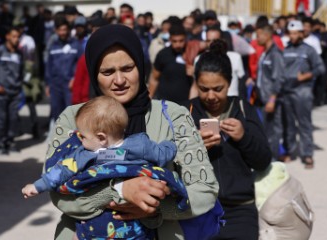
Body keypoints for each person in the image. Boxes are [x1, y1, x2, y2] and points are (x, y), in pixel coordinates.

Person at [45, 24, 219, 240]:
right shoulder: (72, 118)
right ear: (94, 74)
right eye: (107, 72)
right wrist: (118, 192)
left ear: (141, 67)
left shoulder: (174, 116)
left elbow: (205, 190)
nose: (119, 81)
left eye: (127, 68)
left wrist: (154, 207)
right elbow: (55, 191)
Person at [23, 96, 188, 240]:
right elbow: (162, 154)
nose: (78, 139)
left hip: (97, 225)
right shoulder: (140, 145)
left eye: (81, 135)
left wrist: (38, 186)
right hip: (132, 223)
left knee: (80, 235)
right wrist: (171, 145)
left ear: (101, 137)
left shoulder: (86, 154)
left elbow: (62, 171)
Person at [183, 39, 272, 240]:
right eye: (204, 89)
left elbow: (263, 160)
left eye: (218, 88)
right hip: (196, 212)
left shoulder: (243, 109)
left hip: (240, 211)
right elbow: (168, 161)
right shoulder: (184, 112)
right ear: (196, 83)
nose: (211, 96)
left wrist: (243, 137)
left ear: (230, 83)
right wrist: (192, 146)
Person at [282, 20, 325, 168]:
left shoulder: (309, 50)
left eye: (296, 33)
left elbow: (320, 68)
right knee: (288, 124)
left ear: (301, 33)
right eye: (291, 33)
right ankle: (290, 151)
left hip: (303, 91)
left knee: (304, 124)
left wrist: (306, 76)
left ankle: (307, 154)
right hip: (287, 91)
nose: (293, 36)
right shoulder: (284, 50)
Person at [0, 26, 24, 155]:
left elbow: (21, 72)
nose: (16, 39)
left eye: (18, 37)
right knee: (0, 119)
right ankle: (0, 145)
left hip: (14, 92)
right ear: (7, 36)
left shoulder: (19, 54)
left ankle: (10, 142)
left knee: (13, 119)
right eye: (14, 36)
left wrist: (19, 86)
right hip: (0, 92)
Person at [254, 24, 286, 161]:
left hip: (270, 99)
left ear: (267, 35)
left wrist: (272, 99)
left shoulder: (275, 54)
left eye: (258, 35)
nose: (256, 39)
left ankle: (273, 160)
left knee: (273, 132)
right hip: (262, 98)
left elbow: (279, 78)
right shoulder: (265, 53)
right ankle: (269, 159)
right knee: (266, 130)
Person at [45, 17, 82, 121]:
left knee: (71, 114)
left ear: (68, 30)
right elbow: (49, 66)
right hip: (55, 86)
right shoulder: (53, 46)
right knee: (57, 114)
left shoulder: (76, 45)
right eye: (60, 30)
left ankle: (72, 136)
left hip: (70, 86)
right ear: (56, 31)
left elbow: (81, 65)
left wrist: (75, 79)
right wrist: (48, 84)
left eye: (65, 29)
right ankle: (60, 136)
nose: (63, 32)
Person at [148, 24, 192, 104]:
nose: (178, 44)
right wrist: (149, 98)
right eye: (174, 41)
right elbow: (154, 78)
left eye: (181, 41)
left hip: (186, 104)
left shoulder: (192, 54)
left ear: (185, 39)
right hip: (165, 104)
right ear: (170, 39)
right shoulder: (163, 54)